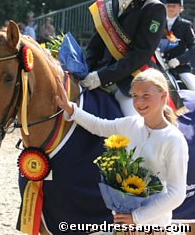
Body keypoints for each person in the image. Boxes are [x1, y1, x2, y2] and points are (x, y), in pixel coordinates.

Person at [55, 68, 188, 229]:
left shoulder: (173, 139)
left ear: (163, 96)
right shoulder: (130, 124)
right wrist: (71, 108)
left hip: (153, 226)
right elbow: (99, 126)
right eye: (135, 96)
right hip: (124, 222)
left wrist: (136, 218)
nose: (139, 102)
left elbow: (177, 194)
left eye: (146, 95)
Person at [80, 0, 166, 116]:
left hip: (130, 83)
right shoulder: (107, 4)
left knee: (136, 127)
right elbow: (95, 46)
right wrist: (86, 72)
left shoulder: (154, 8)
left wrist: (101, 77)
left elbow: (141, 53)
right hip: (97, 76)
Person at [159, 0, 195, 90]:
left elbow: (192, 48)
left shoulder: (186, 25)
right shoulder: (158, 24)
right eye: (168, 5)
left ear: (180, 7)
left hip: (180, 68)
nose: (170, 8)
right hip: (159, 66)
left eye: (173, 6)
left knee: (192, 87)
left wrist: (179, 60)